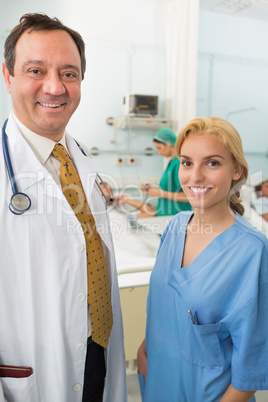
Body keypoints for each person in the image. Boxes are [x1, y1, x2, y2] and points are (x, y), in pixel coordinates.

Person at [0, 13, 127, 402]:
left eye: (69, 73)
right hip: (30, 375)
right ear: (7, 76)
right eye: (36, 70)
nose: (55, 87)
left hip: (97, 352)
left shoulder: (80, 158)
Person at [137, 117, 268, 401]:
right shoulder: (174, 227)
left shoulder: (251, 250)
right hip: (158, 380)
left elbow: (251, 362)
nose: (195, 177)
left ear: (236, 170)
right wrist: (146, 349)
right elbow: (165, 305)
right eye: (186, 163)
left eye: (212, 163)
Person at [116, 127, 191, 218]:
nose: (158, 153)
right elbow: (170, 189)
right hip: (165, 216)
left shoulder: (179, 164)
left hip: (176, 217)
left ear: (169, 143)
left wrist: (160, 193)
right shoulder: (171, 163)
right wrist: (152, 189)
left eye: (159, 148)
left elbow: (188, 196)